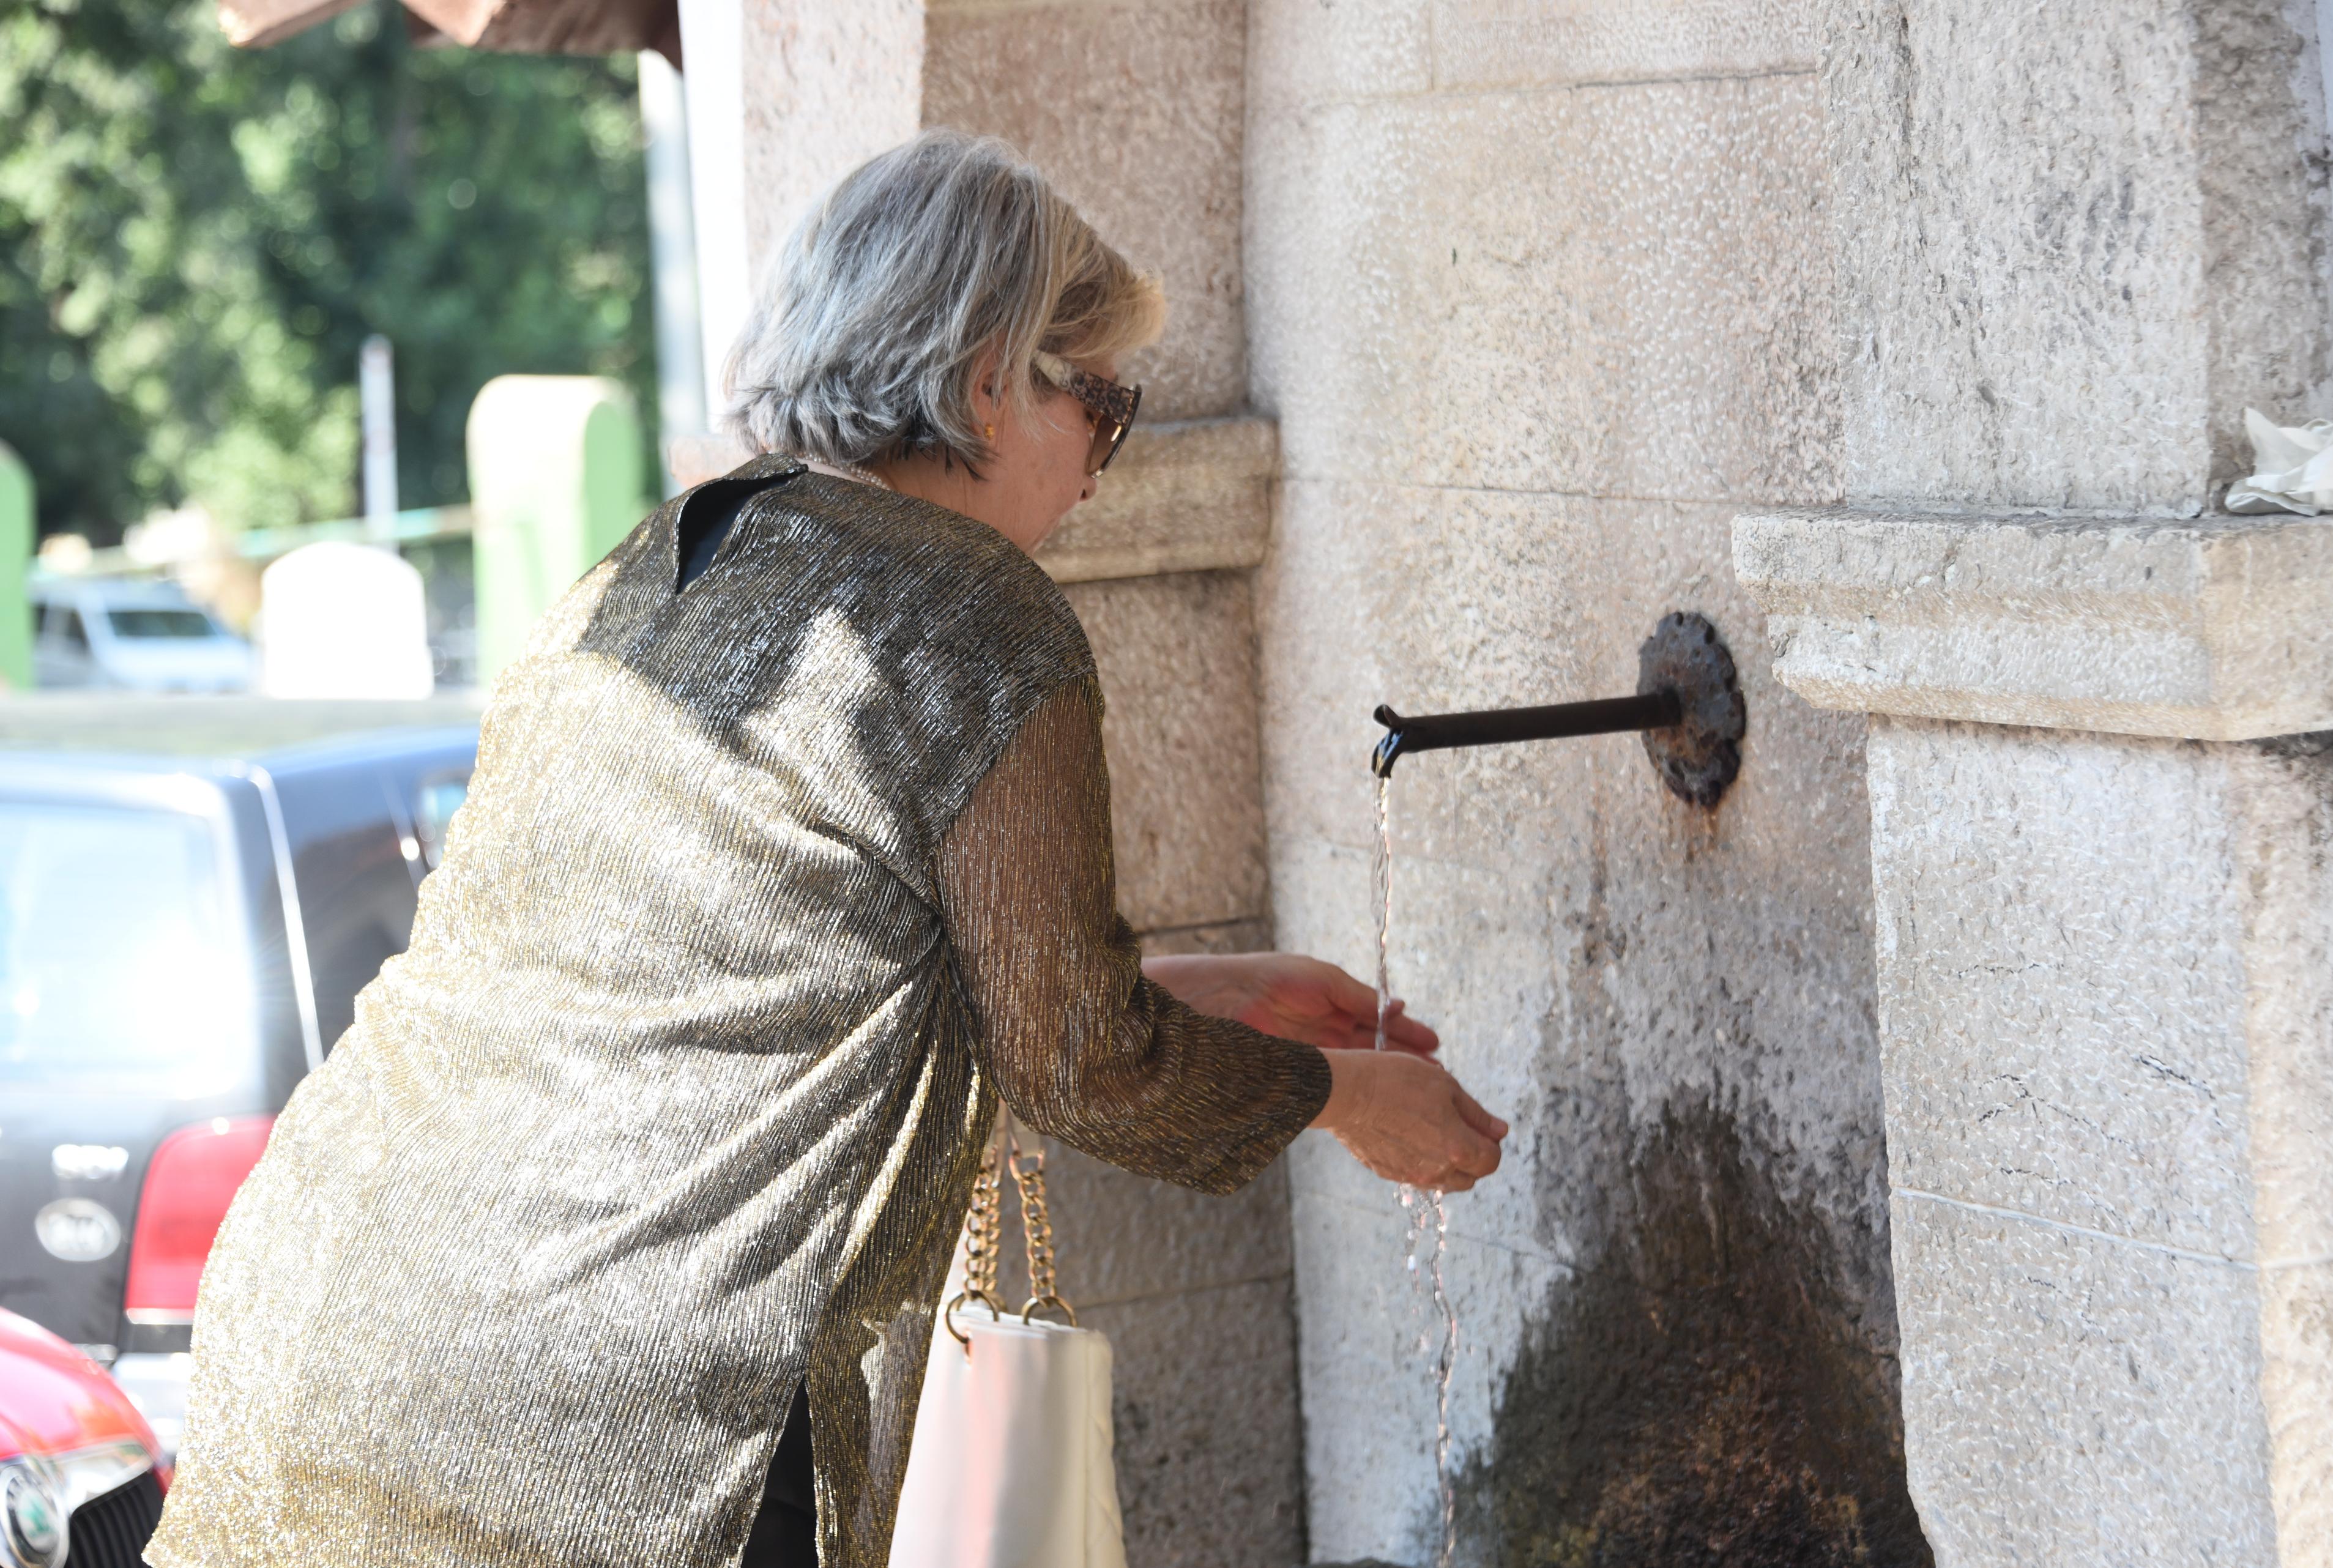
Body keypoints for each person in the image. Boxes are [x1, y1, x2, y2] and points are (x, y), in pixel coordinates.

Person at [146, 129, 1506, 1568]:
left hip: (325, 1312)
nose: (1107, 467)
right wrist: (1349, 1098)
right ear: (989, 374)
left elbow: (763, 976)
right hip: (624, 1421)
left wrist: (1199, 991)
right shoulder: (982, 613)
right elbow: (1081, 1070)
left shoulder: (657, 564)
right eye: (1100, 406)